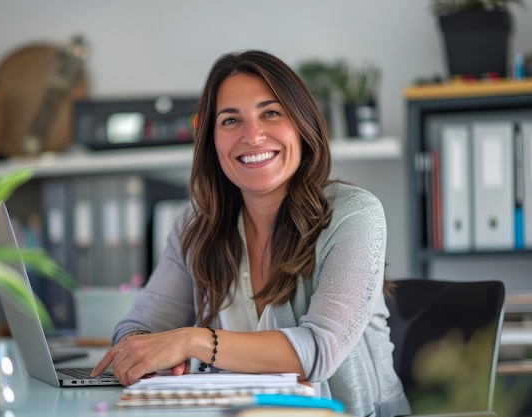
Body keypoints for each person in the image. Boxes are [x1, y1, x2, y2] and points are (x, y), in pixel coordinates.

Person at [92, 49, 410, 417]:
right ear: (211, 140)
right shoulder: (199, 222)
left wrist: (192, 341)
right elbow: (138, 326)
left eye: (271, 113)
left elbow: (317, 353)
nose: (252, 136)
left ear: (302, 125)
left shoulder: (354, 215)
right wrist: (145, 353)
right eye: (230, 121)